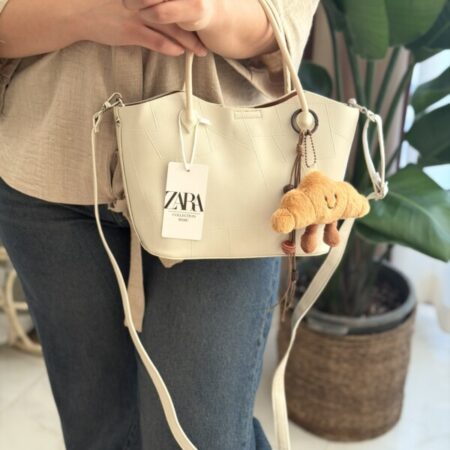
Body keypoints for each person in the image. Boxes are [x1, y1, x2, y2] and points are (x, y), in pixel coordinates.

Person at [0, 1, 319, 449]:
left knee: (200, 436)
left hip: (225, 180)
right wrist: (84, 13)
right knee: (99, 433)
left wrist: (209, 11)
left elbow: (283, 24)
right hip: (49, 166)